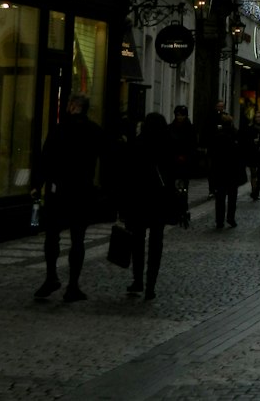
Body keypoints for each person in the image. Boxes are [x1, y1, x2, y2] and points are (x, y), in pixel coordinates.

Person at [33, 92, 105, 302]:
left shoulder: (59, 129)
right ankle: (73, 285)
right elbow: (107, 157)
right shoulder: (94, 131)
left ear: (73, 106)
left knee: (52, 235)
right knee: (78, 239)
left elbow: (45, 158)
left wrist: (38, 184)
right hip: (82, 191)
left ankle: (51, 276)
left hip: (59, 190)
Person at [119, 112, 176, 301]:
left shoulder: (137, 143)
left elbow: (126, 175)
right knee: (156, 243)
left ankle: (137, 279)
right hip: (159, 200)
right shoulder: (167, 144)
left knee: (137, 240)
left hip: (138, 200)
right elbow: (172, 174)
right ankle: (151, 284)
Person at [207, 112, 246, 228]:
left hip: (220, 171)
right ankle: (230, 217)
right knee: (232, 197)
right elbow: (240, 153)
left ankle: (220, 220)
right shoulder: (235, 134)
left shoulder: (218, 136)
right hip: (232, 170)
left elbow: (213, 154)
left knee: (220, 198)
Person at [166, 104, 198, 228]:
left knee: (183, 189)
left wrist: (187, 157)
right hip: (173, 164)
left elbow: (193, 146)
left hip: (185, 164)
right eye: (178, 115)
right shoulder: (170, 128)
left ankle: (183, 210)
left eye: (182, 115)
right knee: (172, 188)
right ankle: (174, 211)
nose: (180, 117)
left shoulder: (190, 129)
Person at [246, 109, 260, 200]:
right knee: (253, 173)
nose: (258, 118)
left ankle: (256, 191)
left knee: (259, 173)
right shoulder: (250, 127)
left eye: (259, 117)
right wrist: (252, 141)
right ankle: (253, 190)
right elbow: (246, 139)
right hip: (252, 152)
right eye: (256, 117)